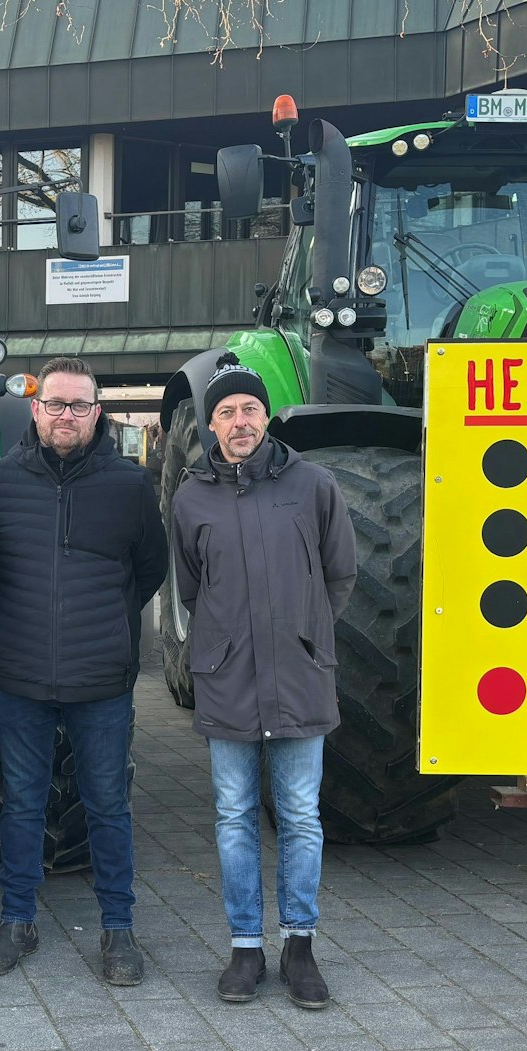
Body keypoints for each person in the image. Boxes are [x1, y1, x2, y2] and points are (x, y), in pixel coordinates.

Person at [170, 355, 355, 1009]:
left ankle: (299, 944)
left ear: (266, 416)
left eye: (248, 408)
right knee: (233, 817)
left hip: (301, 678)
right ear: (210, 424)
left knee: (302, 816)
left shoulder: (313, 485)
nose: (239, 420)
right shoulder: (191, 495)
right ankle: (246, 946)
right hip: (228, 680)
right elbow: (191, 585)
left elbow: (340, 574)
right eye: (225, 412)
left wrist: (304, 635)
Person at [0, 357, 166, 985]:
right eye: (54, 404)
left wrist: (105, 625)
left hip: (100, 680)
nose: (66, 416)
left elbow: (149, 571)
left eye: (79, 406)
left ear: (97, 413)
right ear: (35, 409)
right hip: (21, 676)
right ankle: (16, 921)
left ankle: (118, 931)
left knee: (107, 805)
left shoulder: (130, 487)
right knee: (22, 805)